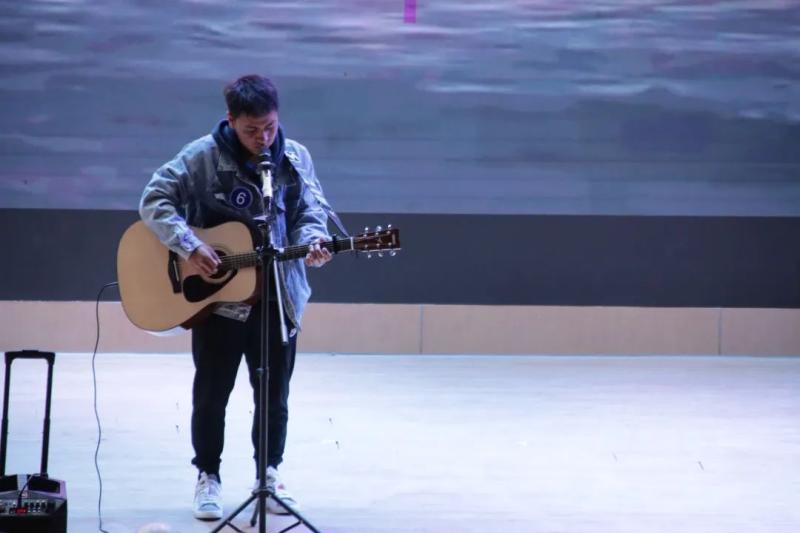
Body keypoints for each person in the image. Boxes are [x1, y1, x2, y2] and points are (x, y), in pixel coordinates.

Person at [139, 74, 334, 520]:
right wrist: (189, 245)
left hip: (277, 298)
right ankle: (207, 475)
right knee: (212, 394)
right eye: (251, 130)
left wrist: (314, 241)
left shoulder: (295, 157)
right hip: (218, 302)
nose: (263, 138)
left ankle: (269, 474)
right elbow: (154, 199)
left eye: (269, 127)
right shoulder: (202, 157)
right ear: (230, 120)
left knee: (274, 395)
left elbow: (310, 212)